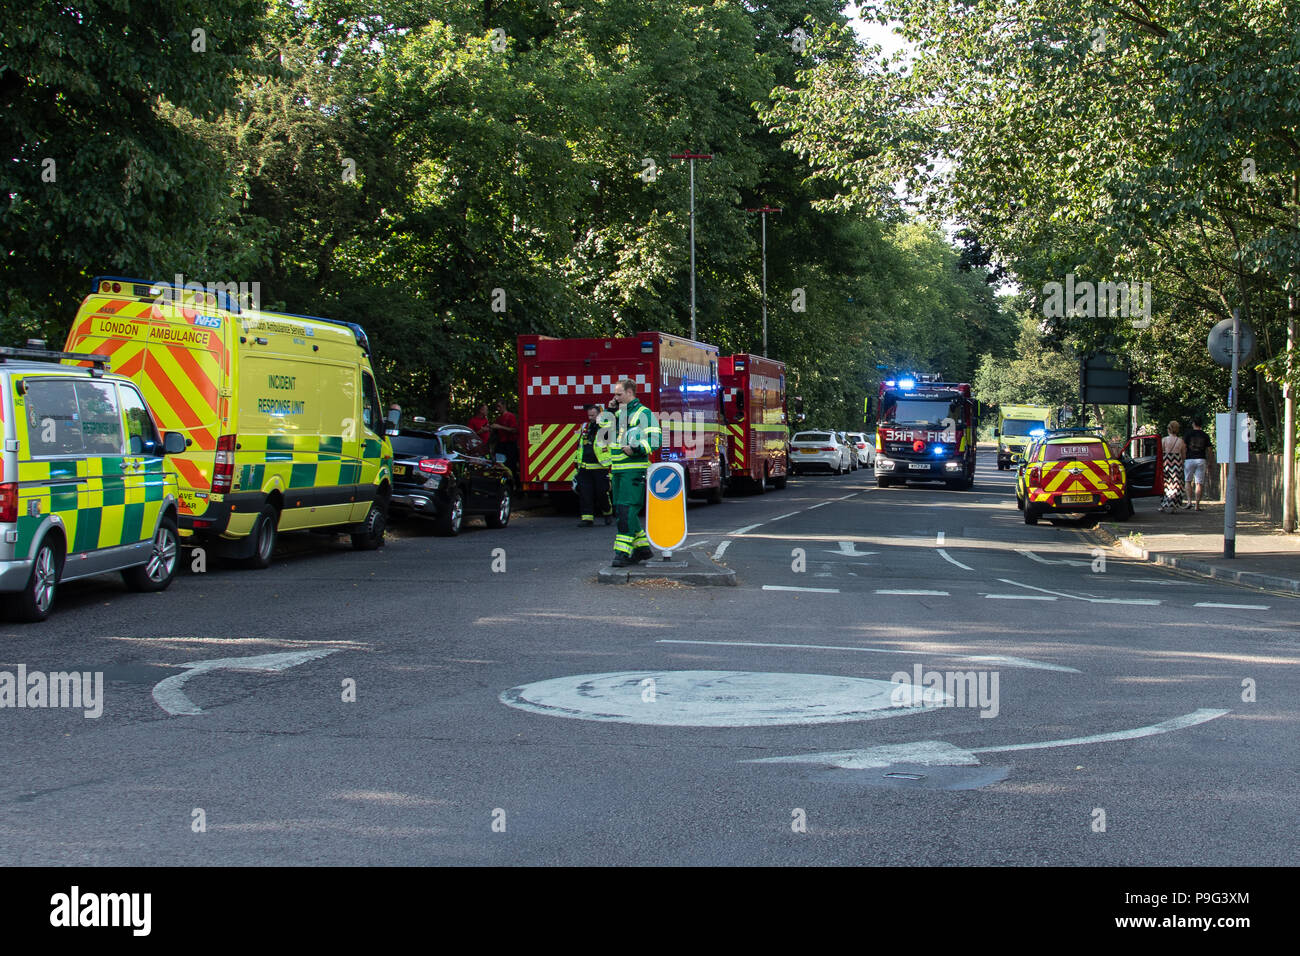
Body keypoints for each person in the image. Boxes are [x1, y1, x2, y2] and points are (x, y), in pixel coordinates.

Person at [608, 379, 661, 567]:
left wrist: (636, 449)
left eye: (619, 394)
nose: (615, 397)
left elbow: (655, 440)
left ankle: (621, 553)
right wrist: (611, 411)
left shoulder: (643, 413)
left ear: (630, 393)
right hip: (618, 472)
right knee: (622, 511)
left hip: (633, 472)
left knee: (626, 512)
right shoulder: (619, 413)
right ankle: (643, 550)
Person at [571, 404, 613, 526]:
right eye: (589, 415)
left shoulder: (606, 428)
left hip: (600, 466)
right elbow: (580, 445)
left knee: (601, 492)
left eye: (593, 415)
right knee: (585, 493)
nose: (590, 418)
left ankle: (607, 512)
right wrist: (576, 461)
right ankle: (587, 518)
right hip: (585, 466)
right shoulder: (585, 427)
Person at [1183, 416, 1213, 511]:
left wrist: (1183, 458)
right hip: (1201, 460)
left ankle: (1189, 502)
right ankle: (1197, 505)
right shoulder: (1205, 435)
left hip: (1189, 459)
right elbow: (1209, 449)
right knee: (1199, 483)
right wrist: (1210, 461)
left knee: (1188, 481)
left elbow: (1183, 447)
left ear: (1193, 424)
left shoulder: (1188, 434)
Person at [1159, 420, 1186, 513]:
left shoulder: (1164, 440)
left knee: (1165, 484)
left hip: (1166, 463)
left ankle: (1163, 505)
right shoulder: (1181, 441)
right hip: (1177, 464)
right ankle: (1174, 506)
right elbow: (1183, 455)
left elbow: (1161, 453)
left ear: (1169, 429)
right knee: (1176, 485)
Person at [490, 400, 519, 484]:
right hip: (501, 445)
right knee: (499, 465)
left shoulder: (510, 416)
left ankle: (513, 484)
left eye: (499, 406)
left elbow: (514, 430)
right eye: (497, 407)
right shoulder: (499, 418)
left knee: (511, 466)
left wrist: (500, 427)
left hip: (510, 445)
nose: (498, 409)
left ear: (504, 406)